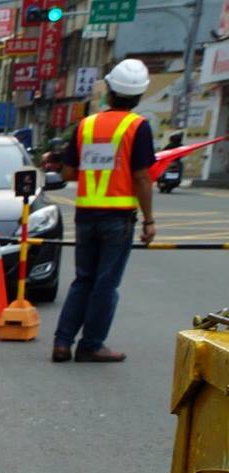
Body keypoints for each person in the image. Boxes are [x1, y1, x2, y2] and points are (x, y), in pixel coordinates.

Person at [51, 59, 157, 363]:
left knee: (83, 279)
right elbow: (141, 177)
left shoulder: (87, 125)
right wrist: (149, 220)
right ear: (138, 95)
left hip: (86, 215)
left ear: (109, 90)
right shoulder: (137, 127)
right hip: (118, 217)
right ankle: (91, 344)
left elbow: (69, 171)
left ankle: (61, 343)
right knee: (105, 283)